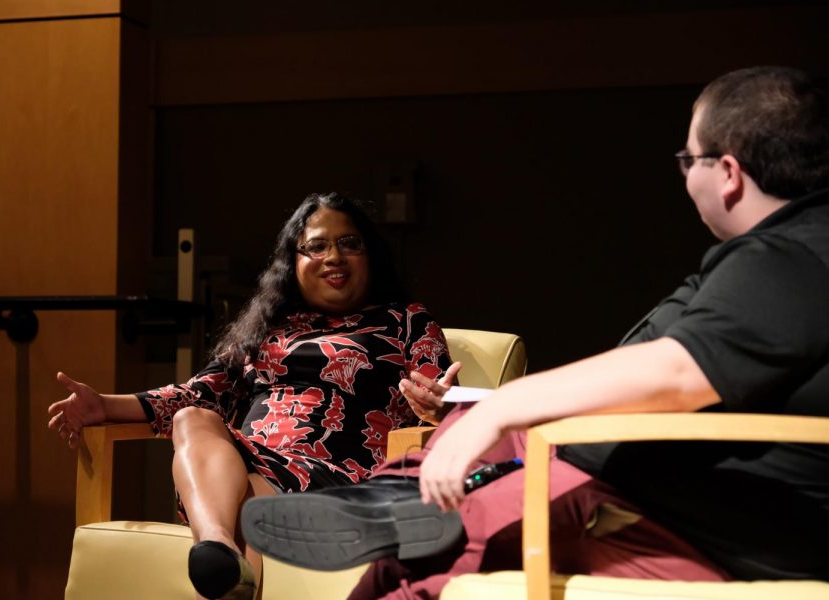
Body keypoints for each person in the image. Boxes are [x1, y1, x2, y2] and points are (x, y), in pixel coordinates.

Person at [241, 66, 829, 598]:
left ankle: (410, 502)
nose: (684, 175)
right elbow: (646, 358)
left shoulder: (791, 259)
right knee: (459, 469)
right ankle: (401, 501)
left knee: (448, 531)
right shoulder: (762, 260)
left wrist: (510, 407)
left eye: (688, 158)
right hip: (649, 490)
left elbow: (678, 372)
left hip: (707, 522)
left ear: (726, 172)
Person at [47, 193, 456, 600]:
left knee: (250, 508)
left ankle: (221, 564)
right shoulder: (268, 326)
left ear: (371, 256)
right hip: (242, 468)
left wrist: (440, 408)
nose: (334, 256)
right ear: (292, 263)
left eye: (349, 243)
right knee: (192, 417)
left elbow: (439, 394)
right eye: (316, 245)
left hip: (338, 479)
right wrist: (103, 406)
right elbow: (196, 392)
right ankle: (216, 547)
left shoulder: (405, 320)